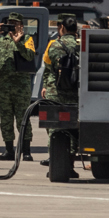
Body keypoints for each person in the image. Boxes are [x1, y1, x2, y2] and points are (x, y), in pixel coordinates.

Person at [0, 13, 36, 161]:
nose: (12, 26)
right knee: (5, 119)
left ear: (21, 26)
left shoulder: (27, 39)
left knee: (23, 119)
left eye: (15, 23)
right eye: (9, 23)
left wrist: (18, 43)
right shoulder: (0, 41)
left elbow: (30, 56)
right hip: (4, 88)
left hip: (21, 88)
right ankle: (9, 150)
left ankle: (26, 151)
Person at [41, 15, 80, 178]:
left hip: (55, 93)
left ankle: (56, 165)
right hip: (76, 94)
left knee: (55, 130)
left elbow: (48, 68)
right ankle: (69, 165)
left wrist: (45, 87)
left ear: (61, 29)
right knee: (73, 130)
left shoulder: (54, 45)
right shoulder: (83, 45)